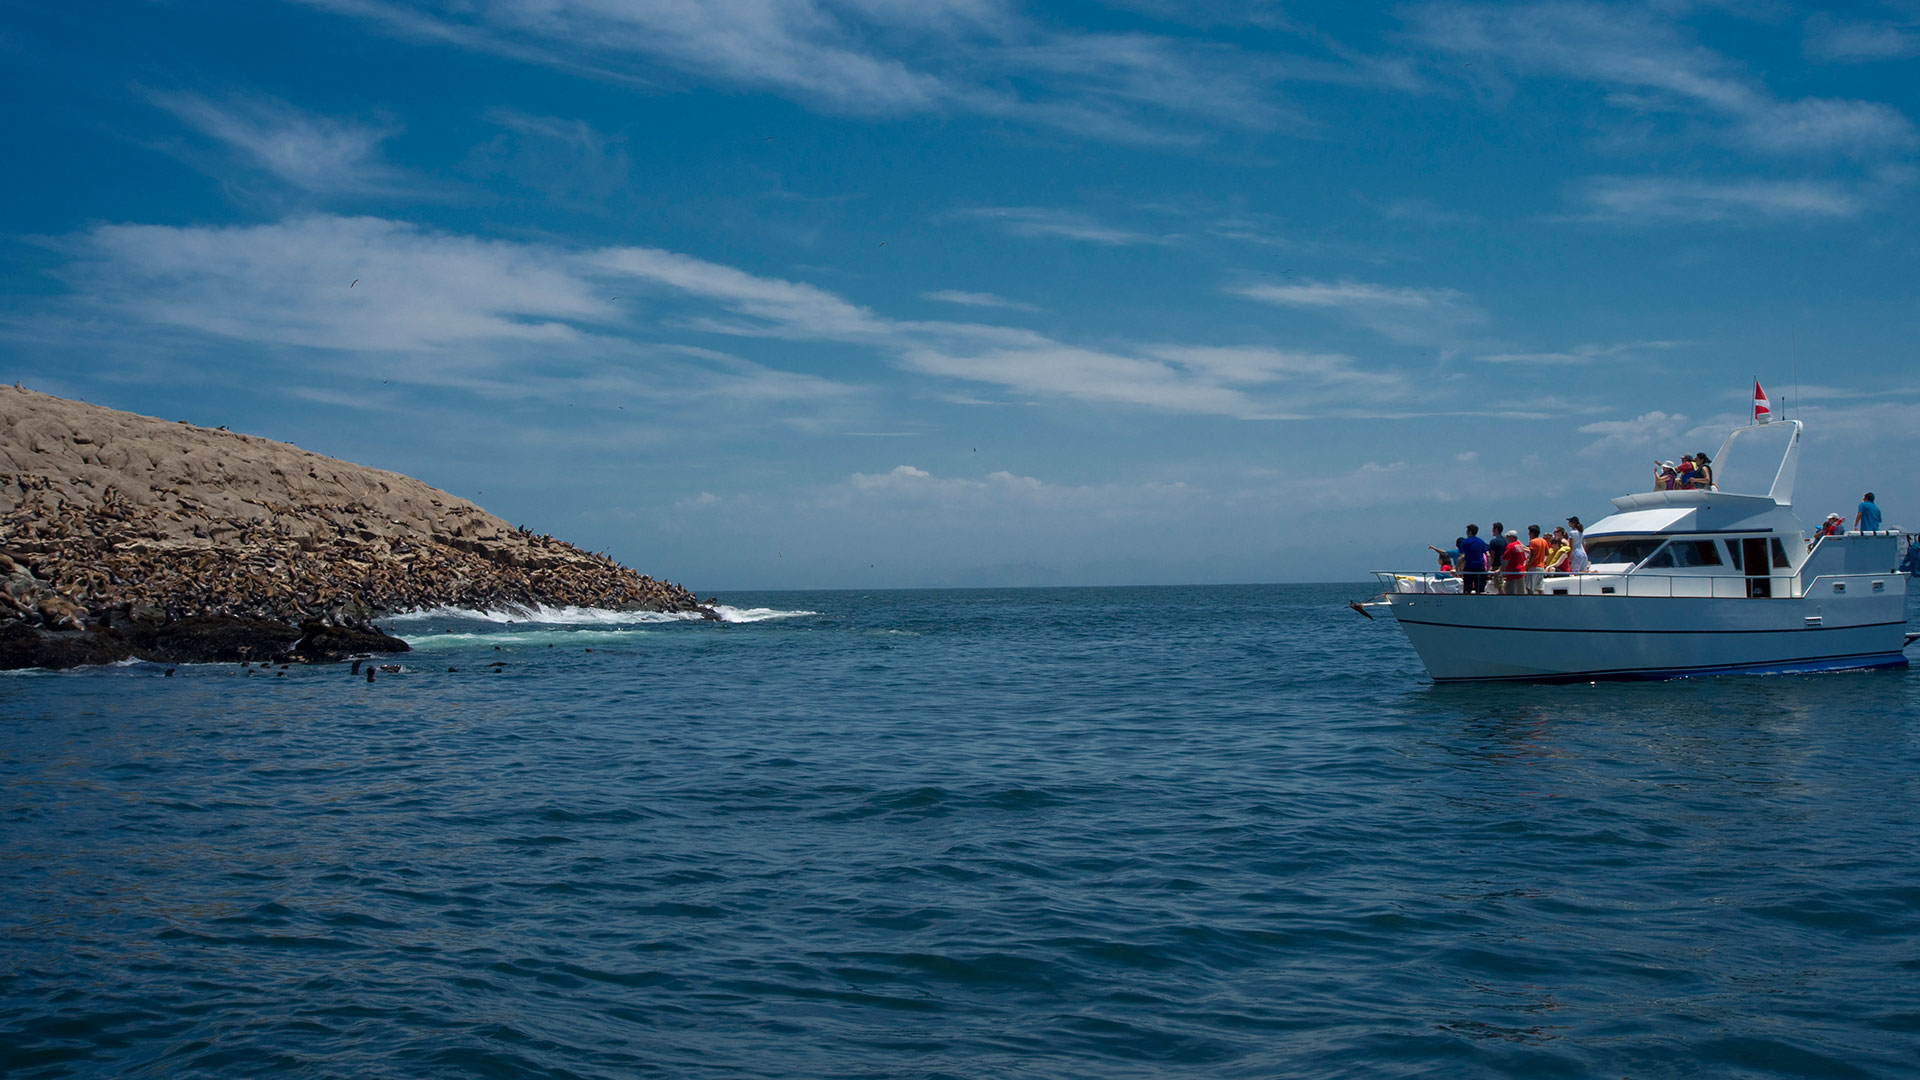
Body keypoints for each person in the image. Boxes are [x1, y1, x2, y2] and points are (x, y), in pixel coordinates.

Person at [1458, 524, 1489, 594]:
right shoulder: (1481, 541)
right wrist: (1488, 568)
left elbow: (1462, 556)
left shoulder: (1465, 542)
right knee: (1480, 590)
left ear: (1470, 532)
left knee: (1467, 590)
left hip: (1469, 568)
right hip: (1480, 568)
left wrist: (1456, 567)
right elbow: (1488, 555)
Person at [1525, 524, 1550, 594]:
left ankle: (1530, 601)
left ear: (1532, 533)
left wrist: (1527, 566)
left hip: (1533, 567)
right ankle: (1542, 600)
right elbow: (1547, 554)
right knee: (1540, 587)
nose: (1528, 534)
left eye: (1529, 533)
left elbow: (1532, 556)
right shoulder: (1544, 541)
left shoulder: (1532, 542)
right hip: (1541, 567)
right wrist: (1543, 561)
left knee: (1529, 587)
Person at [1486, 521, 1510, 593]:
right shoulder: (1506, 541)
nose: (1492, 531)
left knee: (1499, 584)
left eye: (1493, 529)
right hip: (1505, 565)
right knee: (1503, 583)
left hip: (1496, 565)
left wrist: (1490, 566)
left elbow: (1492, 555)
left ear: (1496, 529)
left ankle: (1502, 597)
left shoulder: (1494, 541)